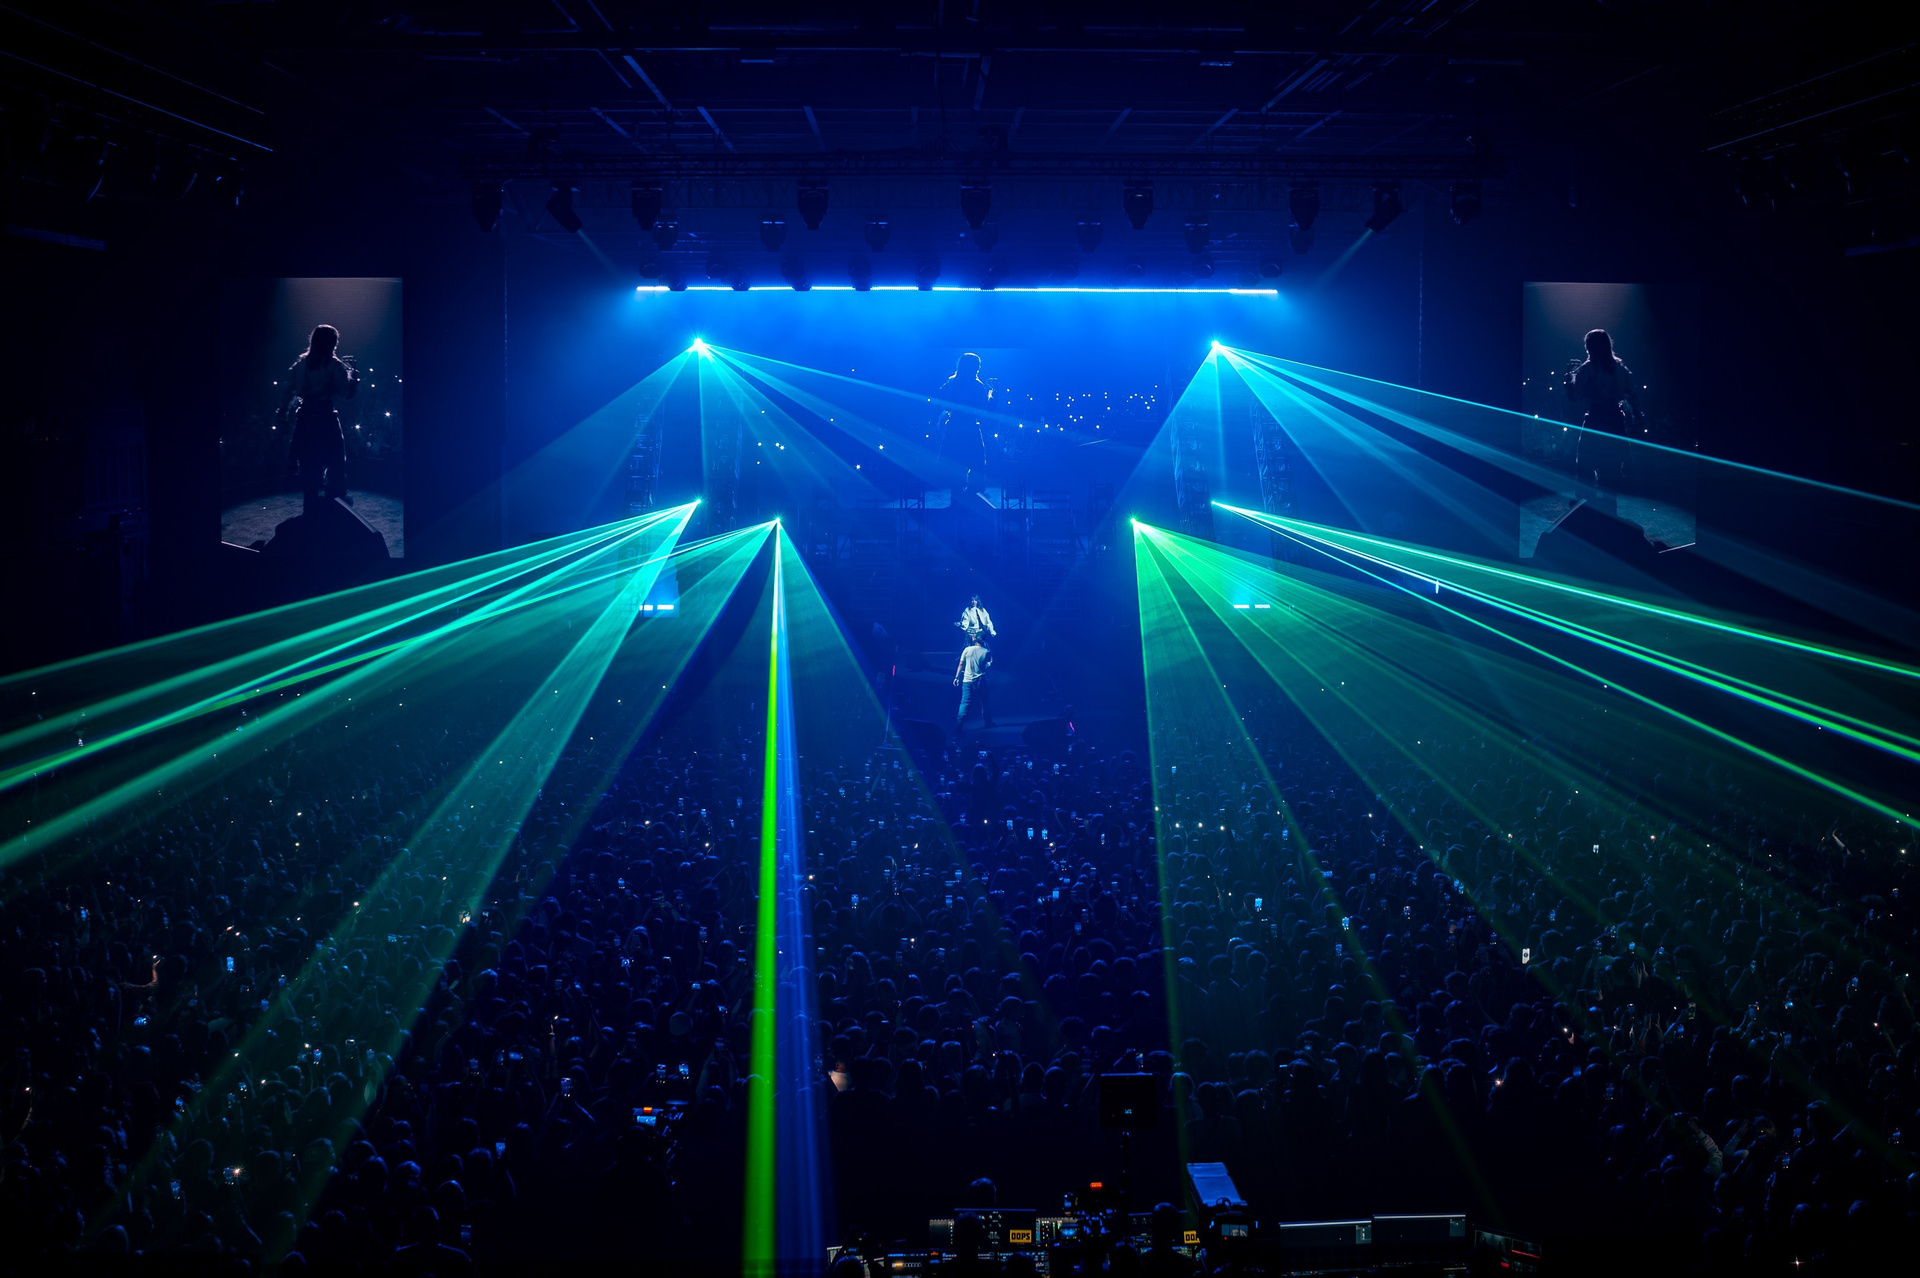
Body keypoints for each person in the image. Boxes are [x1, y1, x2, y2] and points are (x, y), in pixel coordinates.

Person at [282, 323, 358, 511]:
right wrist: (353, 376)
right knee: (336, 464)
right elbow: (346, 394)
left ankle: (310, 513)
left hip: (305, 419)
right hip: (326, 419)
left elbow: (289, 391)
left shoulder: (301, 364)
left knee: (309, 468)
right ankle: (334, 510)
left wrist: (284, 412)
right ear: (332, 343)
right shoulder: (334, 365)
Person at [932, 352, 992, 495]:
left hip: (954, 426)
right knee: (976, 462)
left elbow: (942, 402)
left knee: (955, 462)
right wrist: (990, 394)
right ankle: (973, 496)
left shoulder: (951, 383)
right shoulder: (978, 386)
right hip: (970, 427)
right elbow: (983, 408)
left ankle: (956, 497)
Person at [953, 634, 994, 735]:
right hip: (980, 680)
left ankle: (959, 726)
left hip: (967, 680)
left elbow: (961, 664)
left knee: (965, 702)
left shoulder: (967, 649)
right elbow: (988, 664)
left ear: (975, 639)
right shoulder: (986, 651)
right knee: (985, 702)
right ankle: (988, 722)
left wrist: (956, 677)